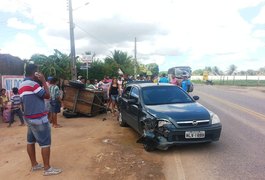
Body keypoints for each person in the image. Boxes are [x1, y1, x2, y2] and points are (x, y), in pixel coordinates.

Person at [18, 64, 62, 176]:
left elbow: (23, 102)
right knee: (45, 143)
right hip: (39, 118)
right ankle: (47, 169)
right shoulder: (33, 85)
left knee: (30, 141)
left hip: (29, 118)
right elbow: (47, 96)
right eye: (38, 72)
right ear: (35, 73)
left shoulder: (21, 84)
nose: (40, 74)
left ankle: (34, 165)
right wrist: (43, 81)